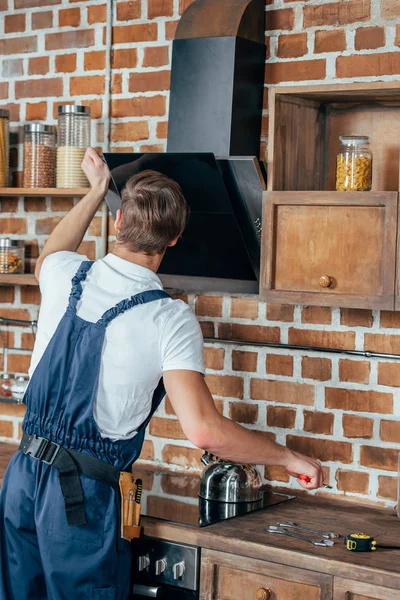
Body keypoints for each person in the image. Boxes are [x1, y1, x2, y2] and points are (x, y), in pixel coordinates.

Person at [0, 148, 324, 600]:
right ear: (175, 239)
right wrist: (288, 458)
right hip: (83, 503)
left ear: (116, 224)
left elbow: (53, 251)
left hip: (22, 480)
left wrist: (97, 190)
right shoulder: (168, 318)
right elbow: (205, 432)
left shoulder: (64, 273)